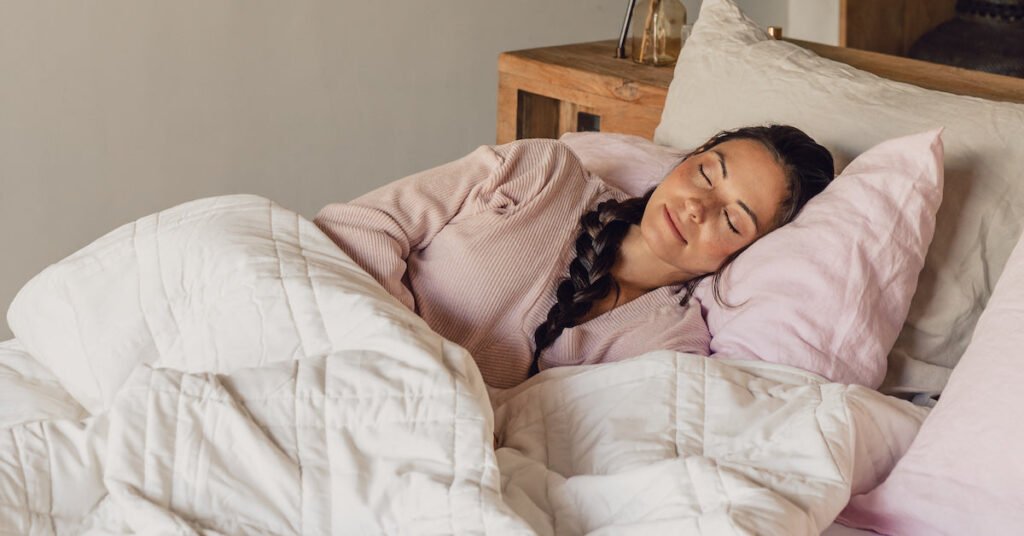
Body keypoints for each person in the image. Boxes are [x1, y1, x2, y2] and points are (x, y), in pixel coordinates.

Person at [314, 126, 834, 389]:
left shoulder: (668, 345)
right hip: (330, 342)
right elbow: (359, 228)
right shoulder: (543, 173)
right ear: (686, 161)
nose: (698, 207)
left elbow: (563, 445)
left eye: (733, 218)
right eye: (705, 173)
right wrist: (397, 352)